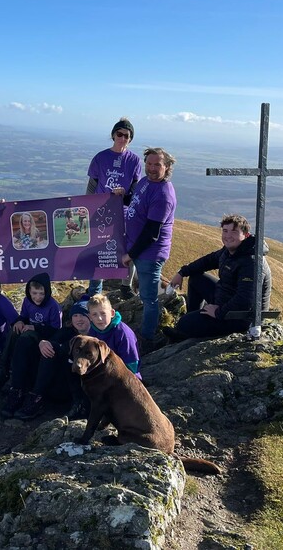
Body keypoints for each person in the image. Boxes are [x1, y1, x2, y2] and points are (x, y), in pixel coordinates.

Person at [165, 214, 272, 341]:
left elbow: (245, 301)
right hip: (226, 298)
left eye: (234, 231)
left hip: (241, 317)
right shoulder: (229, 252)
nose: (228, 236)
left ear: (246, 235)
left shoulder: (252, 262)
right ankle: (194, 319)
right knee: (196, 278)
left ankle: (189, 330)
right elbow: (207, 261)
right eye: (225, 231)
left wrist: (218, 312)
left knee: (184, 323)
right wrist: (182, 272)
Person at [2, 296, 91, 421]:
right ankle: (17, 391)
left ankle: (37, 398)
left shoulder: (95, 337)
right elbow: (53, 338)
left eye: (83, 315)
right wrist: (43, 343)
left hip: (69, 386)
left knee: (53, 347)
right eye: (75, 316)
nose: (79, 319)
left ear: (90, 317)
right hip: (51, 380)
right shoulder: (66, 331)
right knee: (29, 342)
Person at [121, 147, 177, 344]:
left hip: (149, 254)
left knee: (149, 299)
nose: (152, 168)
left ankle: (147, 338)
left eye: (157, 165)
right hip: (139, 249)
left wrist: (130, 254)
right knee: (145, 295)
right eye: (149, 164)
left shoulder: (163, 194)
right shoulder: (145, 182)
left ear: (167, 167)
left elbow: (152, 233)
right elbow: (135, 202)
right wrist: (123, 195)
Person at [86, 118, 143, 298]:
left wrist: (126, 194)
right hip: (101, 212)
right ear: (113, 135)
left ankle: (126, 286)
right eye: (119, 134)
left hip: (125, 213)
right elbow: (92, 185)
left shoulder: (134, 161)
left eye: (127, 136)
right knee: (99, 250)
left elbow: (135, 188)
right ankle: (95, 289)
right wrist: (87, 208)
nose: (123, 138)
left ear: (130, 139)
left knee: (129, 249)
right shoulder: (100, 158)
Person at [0, 272, 63, 417]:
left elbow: (56, 331)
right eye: (34, 293)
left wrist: (35, 328)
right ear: (29, 291)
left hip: (44, 337)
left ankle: (24, 390)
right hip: (29, 334)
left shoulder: (54, 306)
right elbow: (24, 316)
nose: (38, 297)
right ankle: (12, 380)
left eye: (41, 293)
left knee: (26, 336)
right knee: (15, 330)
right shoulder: (27, 301)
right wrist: (20, 320)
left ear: (47, 292)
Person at [86, 294, 141, 379]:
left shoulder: (123, 334)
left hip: (124, 378)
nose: (99, 318)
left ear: (112, 313)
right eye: (94, 314)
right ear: (90, 317)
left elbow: (132, 365)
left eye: (103, 313)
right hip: (101, 374)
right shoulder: (93, 331)